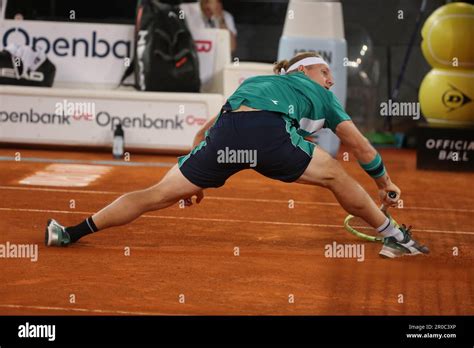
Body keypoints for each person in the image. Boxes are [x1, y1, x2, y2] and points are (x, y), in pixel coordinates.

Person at [45, 52, 429, 259]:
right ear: (305, 69)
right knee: (336, 175)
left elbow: (202, 132)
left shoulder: (257, 82)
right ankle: (394, 236)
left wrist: (192, 182)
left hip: (226, 134)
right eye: (325, 71)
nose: (330, 80)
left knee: (155, 195)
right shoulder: (323, 97)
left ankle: (70, 232)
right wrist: (385, 183)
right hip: (269, 132)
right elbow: (360, 147)